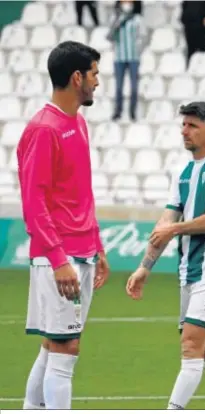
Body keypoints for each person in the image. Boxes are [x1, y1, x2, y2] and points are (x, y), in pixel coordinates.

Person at [126, 101, 205, 410]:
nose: (184, 131)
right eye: (183, 125)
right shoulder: (184, 171)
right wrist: (144, 267)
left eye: (192, 125)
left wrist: (173, 229)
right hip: (188, 270)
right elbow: (165, 223)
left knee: (190, 343)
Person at [17, 41, 110, 410]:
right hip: (60, 255)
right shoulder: (44, 128)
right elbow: (33, 202)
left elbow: (81, 193)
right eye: (94, 74)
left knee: (54, 345)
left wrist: (98, 246)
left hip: (81, 250)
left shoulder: (78, 123)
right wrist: (58, 260)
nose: (97, 82)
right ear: (77, 78)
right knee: (65, 349)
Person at [107, 0, 145, 121]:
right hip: (119, 57)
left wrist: (138, 49)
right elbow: (110, 36)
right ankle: (118, 111)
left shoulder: (138, 18)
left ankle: (132, 111)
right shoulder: (115, 17)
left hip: (133, 56)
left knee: (134, 86)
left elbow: (142, 36)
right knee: (119, 86)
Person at [180, 1, 205, 66]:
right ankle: (190, 67)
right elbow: (184, 4)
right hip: (189, 23)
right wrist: (184, 18)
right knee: (190, 48)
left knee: (203, 47)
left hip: (202, 24)